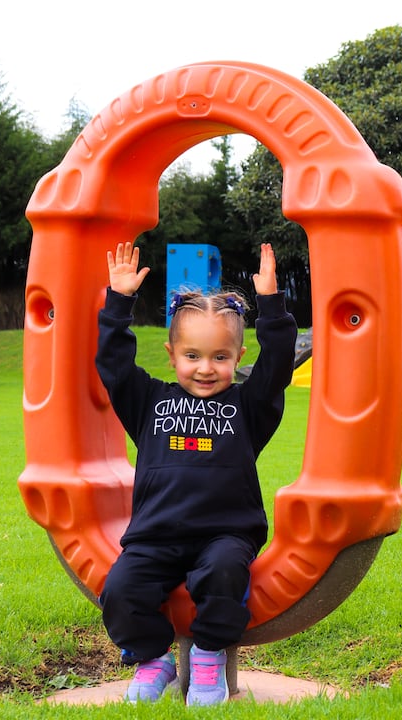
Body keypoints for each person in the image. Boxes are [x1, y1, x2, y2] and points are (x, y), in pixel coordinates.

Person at [95, 241, 297, 705]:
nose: (206, 369)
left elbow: (278, 365)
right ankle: (153, 659)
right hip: (154, 536)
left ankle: (208, 655)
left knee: (225, 575)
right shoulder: (148, 402)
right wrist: (119, 301)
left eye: (220, 358)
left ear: (238, 357)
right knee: (121, 590)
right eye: (192, 356)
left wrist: (271, 304)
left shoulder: (249, 407)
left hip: (225, 535)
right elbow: (114, 365)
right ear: (171, 354)